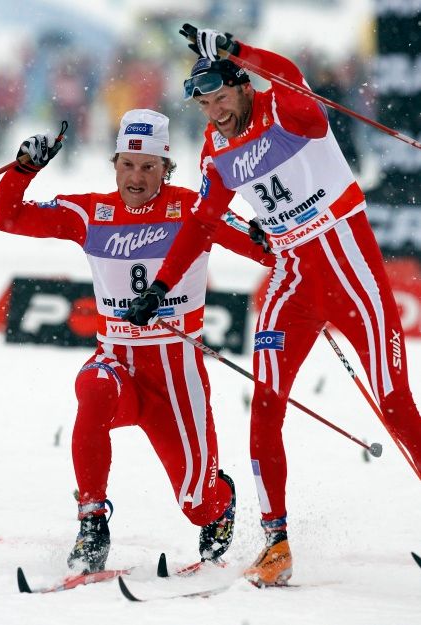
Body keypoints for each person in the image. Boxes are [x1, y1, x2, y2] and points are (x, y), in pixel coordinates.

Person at [122, 28, 421, 587]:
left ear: (243, 87)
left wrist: (236, 48)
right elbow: (205, 222)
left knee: (395, 402)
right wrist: (160, 289)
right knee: (265, 403)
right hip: (293, 279)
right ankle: (276, 543)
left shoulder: (286, 107)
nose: (215, 113)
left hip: (351, 268)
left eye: (221, 99)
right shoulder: (215, 147)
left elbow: (285, 71)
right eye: (204, 105)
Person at [0, 108, 274, 574]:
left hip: (176, 377)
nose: (136, 177)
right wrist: (24, 169)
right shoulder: (90, 213)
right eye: (127, 164)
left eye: (148, 166)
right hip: (117, 362)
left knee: (197, 504)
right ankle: (92, 521)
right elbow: (3, 216)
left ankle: (218, 499)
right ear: (114, 163)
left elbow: (269, 246)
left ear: (166, 168)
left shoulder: (194, 210)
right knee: (93, 389)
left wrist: (282, 229)